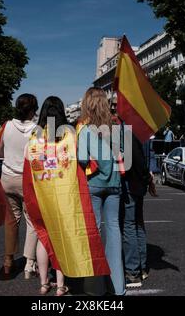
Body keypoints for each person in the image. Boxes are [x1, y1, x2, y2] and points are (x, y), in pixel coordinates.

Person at [78, 87, 125, 296]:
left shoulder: (85, 130)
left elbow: (82, 160)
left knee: (94, 233)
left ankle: (95, 287)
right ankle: (118, 286)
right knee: (114, 231)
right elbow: (125, 156)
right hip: (114, 183)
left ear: (87, 105)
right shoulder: (116, 127)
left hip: (94, 183)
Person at [25, 96, 71, 296]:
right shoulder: (69, 135)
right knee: (60, 238)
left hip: (40, 193)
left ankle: (44, 283)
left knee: (43, 238)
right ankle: (60, 285)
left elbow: (28, 166)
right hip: (62, 194)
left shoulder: (35, 137)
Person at [0, 94, 39, 280]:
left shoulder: (6, 126)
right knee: (32, 221)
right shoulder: (38, 129)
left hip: (7, 178)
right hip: (27, 180)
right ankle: (29, 263)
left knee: (11, 220)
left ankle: (8, 260)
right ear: (32, 110)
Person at [121, 131, 157, 288]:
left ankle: (133, 272)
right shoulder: (144, 128)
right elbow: (146, 156)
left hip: (131, 181)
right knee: (138, 224)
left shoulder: (128, 129)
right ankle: (141, 268)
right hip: (141, 182)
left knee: (128, 225)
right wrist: (148, 178)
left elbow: (131, 158)